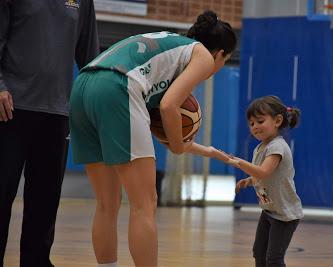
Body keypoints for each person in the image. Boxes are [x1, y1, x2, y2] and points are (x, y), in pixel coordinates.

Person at [68, 10, 236, 267]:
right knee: (144, 205)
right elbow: (169, 107)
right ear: (220, 54)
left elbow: (151, 124)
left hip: (82, 86)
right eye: (226, 60)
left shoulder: (167, 48)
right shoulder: (201, 54)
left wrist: (202, 149)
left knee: (106, 204)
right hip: (118, 86)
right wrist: (179, 147)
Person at [0, 0, 99, 266]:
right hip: (10, 108)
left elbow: (90, 58)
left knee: (45, 200)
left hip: (56, 114)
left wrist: (96, 103)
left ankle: (36, 262)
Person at [231, 96, 303, 267]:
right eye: (251, 124)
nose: (254, 127)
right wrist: (249, 180)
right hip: (270, 210)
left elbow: (263, 172)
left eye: (260, 121)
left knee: (274, 259)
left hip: (284, 216)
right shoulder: (261, 146)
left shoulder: (277, 146)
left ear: (278, 120)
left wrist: (238, 162)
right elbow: (264, 174)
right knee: (259, 252)